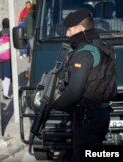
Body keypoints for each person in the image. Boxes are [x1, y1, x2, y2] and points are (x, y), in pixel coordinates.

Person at [50, 9, 116, 162]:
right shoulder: (102, 46)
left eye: (69, 29)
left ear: (80, 29)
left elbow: (74, 93)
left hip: (88, 119)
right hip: (101, 114)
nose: (67, 34)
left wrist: (53, 105)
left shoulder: (84, 53)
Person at [0, 18, 12, 100]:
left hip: (0, 57)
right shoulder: (10, 33)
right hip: (8, 57)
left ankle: (5, 90)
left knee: (3, 75)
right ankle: (6, 93)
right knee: (7, 75)